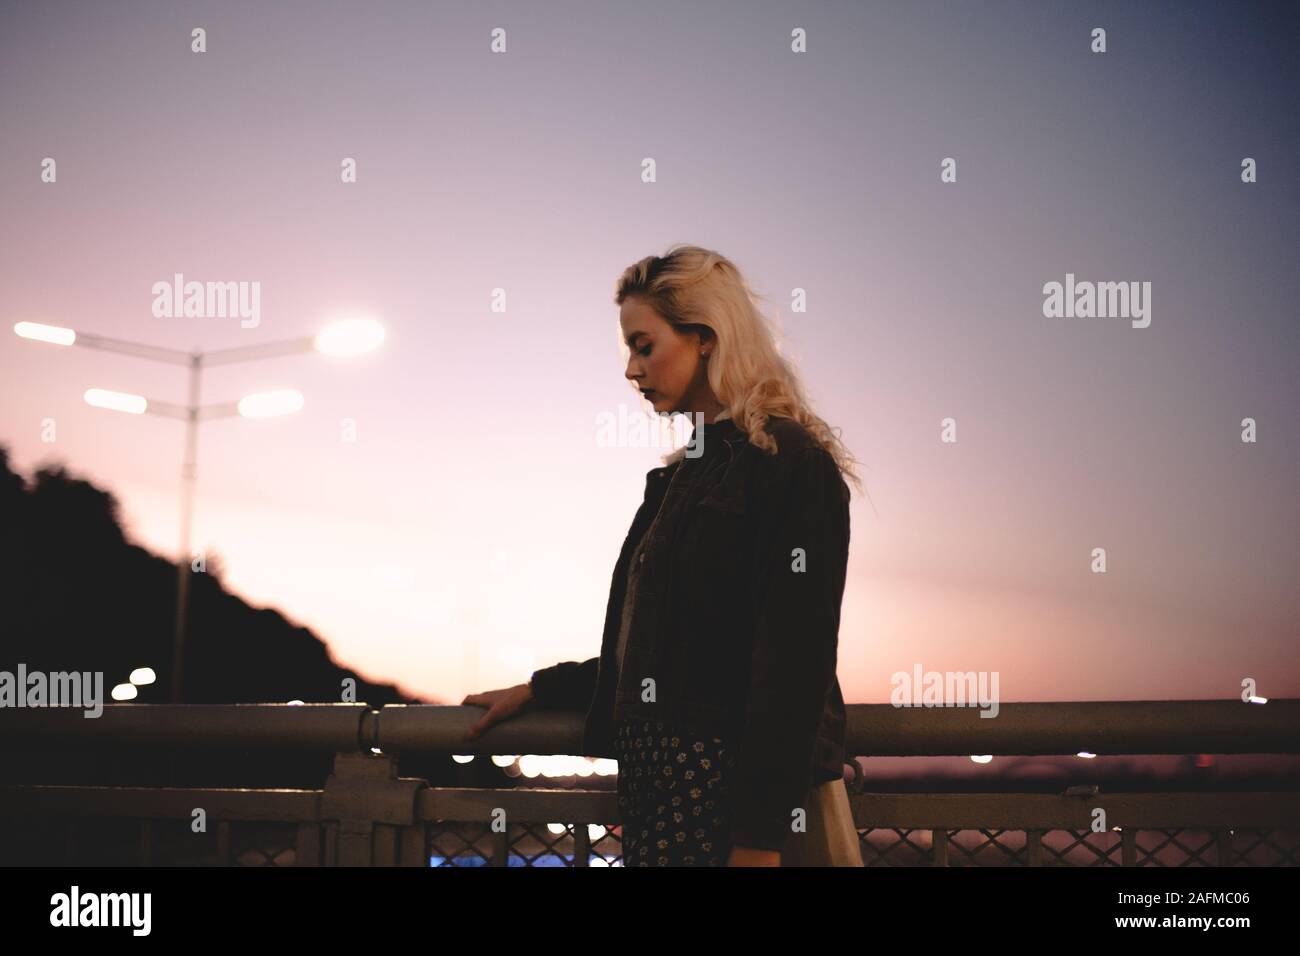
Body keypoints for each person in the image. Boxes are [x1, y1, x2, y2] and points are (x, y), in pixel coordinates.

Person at [462, 244, 866, 867]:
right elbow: (676, 647)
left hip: (722, 803)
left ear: (705, 336)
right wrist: (542, 688)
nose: (631, 370)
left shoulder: (788, 464)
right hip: (661, 798)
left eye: (644, 346)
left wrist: (757, 843)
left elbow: (793, 666)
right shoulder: (682, 479)